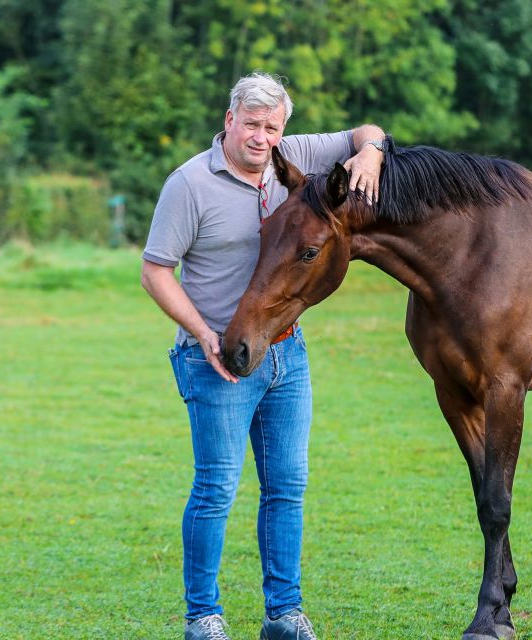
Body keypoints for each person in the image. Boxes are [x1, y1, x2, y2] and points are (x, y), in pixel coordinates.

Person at [141, 71, 385, 640]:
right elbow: (156, 271)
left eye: (271, 126)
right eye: (250, 124)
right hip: (217, 359)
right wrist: (204, 334)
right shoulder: (189, 184)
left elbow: (365, 131)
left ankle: (284, 614)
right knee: (216, 488)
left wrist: (371, 152)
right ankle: (203, 617)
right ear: (229, 121)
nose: (261, 137)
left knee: (286, 487)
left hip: (286, 356)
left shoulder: (291, 154)